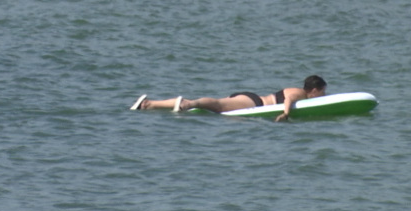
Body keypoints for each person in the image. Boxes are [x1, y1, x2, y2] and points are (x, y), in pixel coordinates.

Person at [130, 75, 328, 122]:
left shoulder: (303, 94)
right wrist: (285, 114)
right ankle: (188, 103)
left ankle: (149, 105)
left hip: (250, 99)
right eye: (323, 92)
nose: (324, 96)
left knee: (214, 105)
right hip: (254, 103)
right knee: (216, 105)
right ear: (314, 90)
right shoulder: (299, 93)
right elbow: (288, 100)